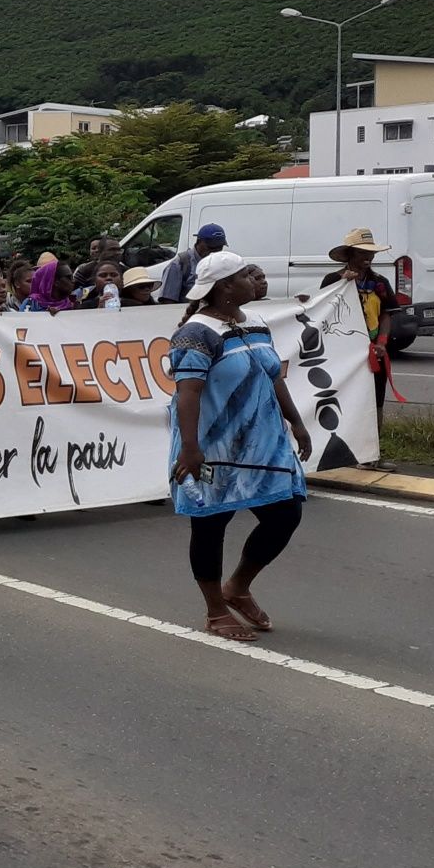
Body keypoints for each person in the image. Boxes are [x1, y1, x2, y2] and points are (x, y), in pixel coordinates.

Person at [166, 252, 312, 641]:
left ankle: (238, 587)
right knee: (211, 524)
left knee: (285, 515)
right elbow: (188, 393)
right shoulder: (196, 333)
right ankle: (216, 610)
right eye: (248, 275)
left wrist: (296, 422)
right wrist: (191, 449)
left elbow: (273, 375)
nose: (256, 280)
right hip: (212, 445)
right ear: (226, 286)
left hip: (262, 444)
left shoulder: (256, 323)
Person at [320, 227, 396, 416]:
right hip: (342, 353)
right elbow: (321, 310)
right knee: (344, 398)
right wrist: (341, 284)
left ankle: (375, 441)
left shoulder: (380, 283)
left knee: (375, 400)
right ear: (349, 254)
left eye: (371, 253)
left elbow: (387, 313)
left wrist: (382, 342)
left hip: (373, 350)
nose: (368, 258)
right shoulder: (332, 280)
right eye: (362, 253)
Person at [160, 223, 226, 304]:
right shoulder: (179, 264)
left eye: (219, 248)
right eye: (211, 247)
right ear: (199, 242)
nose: (215, 251)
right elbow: (167, 301)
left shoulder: (223, 263)